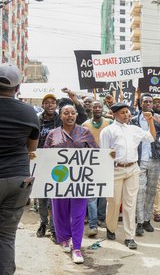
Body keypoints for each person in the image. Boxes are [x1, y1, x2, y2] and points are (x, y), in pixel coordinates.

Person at [43, 104, 98, 264]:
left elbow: (96, 153)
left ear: (76, 115)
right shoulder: (53, 134)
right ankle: (65, 239)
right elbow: (45, 155)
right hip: (58, 181)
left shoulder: (85, 132)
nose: (70, 115)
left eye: (72, 113)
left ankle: (77, 248)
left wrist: (109, 155)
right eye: (66, 113)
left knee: (78, 215)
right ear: (60, 116)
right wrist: (34, 158)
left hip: (79, 181)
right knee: (59, 212)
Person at [0, 64, 40, 275]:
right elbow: (31, 149)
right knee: (6, 235)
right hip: (18, 179)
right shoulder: (29, 112)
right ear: (17, 88)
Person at [100, 103, 156, 249]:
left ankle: (129, 236)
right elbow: (103, 153)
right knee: (113, 202)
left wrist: (150, 121)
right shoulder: (108, 131)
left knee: (130, 203)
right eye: (123, 112)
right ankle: (111, 228)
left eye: (127, 112)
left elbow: (151, 137)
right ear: (114, 114)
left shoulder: (134, 129)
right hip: (115, 170)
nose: (126, 115)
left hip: (132, 169)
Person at [131, 94, 160, 236]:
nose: (149, 104)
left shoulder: (158, 119)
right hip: (139, 159)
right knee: (140, 191)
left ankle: (147, 220)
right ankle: (139, 221)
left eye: (150, 102)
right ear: (140, 103)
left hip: (155, 158)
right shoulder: (133, 121)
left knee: (151, 191)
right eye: (146, 101)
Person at [82, 100, 113, 236]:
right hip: (91, 162)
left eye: (99, 106)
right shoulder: (85, 125)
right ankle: (93, 224)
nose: (97, 108)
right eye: (94, 107)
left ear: (102, 108)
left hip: (106, 162)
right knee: (92, 195)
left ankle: (101, 218)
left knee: (103, 193)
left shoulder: (109, 123)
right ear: (92, 109)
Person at [36, 93, 59, 242]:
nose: (50, 105)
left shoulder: (60, 119)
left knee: (54, 197)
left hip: (57, 163)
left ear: (56, 105)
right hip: (40, 162)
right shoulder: (37, 120)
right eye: (47, 102)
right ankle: (43, 223)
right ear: (43, 105)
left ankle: (53, 227)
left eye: (53, 102)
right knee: (42, 196)